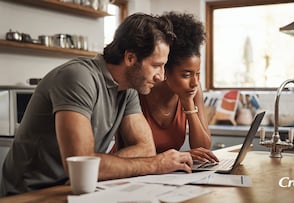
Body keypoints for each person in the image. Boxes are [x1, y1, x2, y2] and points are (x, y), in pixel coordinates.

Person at [0, 12, 193, 197]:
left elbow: (145, 148)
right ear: (130, 58)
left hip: (77, 188)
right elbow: (82, 164)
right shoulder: (78, 77)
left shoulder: (128, 89)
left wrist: (100, 166)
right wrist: (155, 164)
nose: (160, 77)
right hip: (30, 194)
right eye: (156, 65)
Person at [138, 12, 218, 163]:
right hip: (127, 175)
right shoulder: (140, 91)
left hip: (165, 177)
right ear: (165, 70)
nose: (195, 82)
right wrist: (181, 156)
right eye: (186, 75)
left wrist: (188, 104)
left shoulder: (192, 91)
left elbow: (204, 148)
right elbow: (132, 152)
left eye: (198, 74)